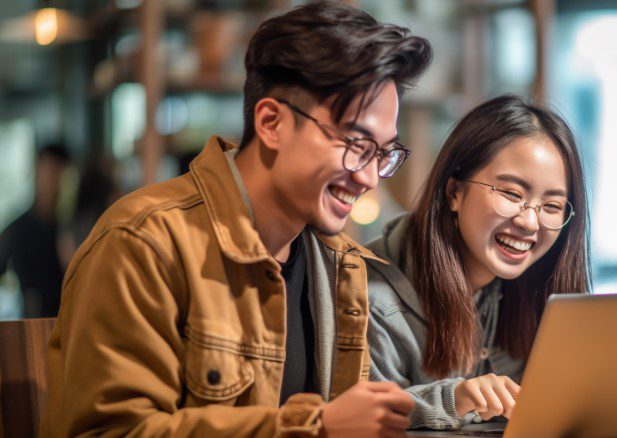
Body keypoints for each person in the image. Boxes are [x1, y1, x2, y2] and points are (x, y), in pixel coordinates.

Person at [42, 3, 432, 437]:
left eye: (383, 154)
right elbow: (110, 431)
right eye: (357, 144)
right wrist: (312, 428)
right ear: (271, 123)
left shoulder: (340, 267)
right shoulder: (144, 242)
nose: (368, 177)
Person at [365, 94, 591, 429]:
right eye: (512, 194)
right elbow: (363, 419)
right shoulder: (371, 297)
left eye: (552, 206)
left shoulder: (531, 288)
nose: (531, 222)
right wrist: (456, 398)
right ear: (454, 192)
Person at [0, 143, 70, 318]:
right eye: (50, 173)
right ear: (36, 172)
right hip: (29, 329)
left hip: (67, 326)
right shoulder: (17, 230)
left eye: (59, 174)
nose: (53, 182)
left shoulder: (70, 229)